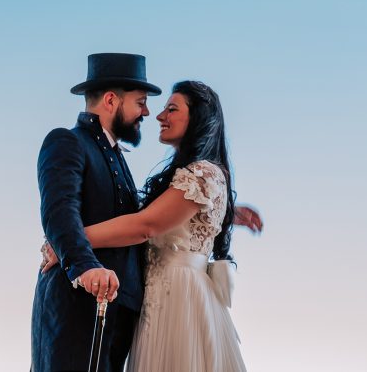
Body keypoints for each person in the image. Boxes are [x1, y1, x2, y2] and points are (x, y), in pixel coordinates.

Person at [42, 80, 254, 372]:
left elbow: (146, 225)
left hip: (179, 300)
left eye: (171, 109)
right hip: (151, 302)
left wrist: (66, 241)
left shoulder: (203, 173)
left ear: (198, 119)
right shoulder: (77, 144)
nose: (155, 115)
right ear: (111, 100)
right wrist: (227, 213)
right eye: (142, 102)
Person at [31, 52, 160, 372]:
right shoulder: (66, 142)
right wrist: (86, 269)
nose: (146, 111)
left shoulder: (117, 157)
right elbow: (59, 212)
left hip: (120, 316)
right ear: (112, 100)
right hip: (75, 309)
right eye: (141, 101)